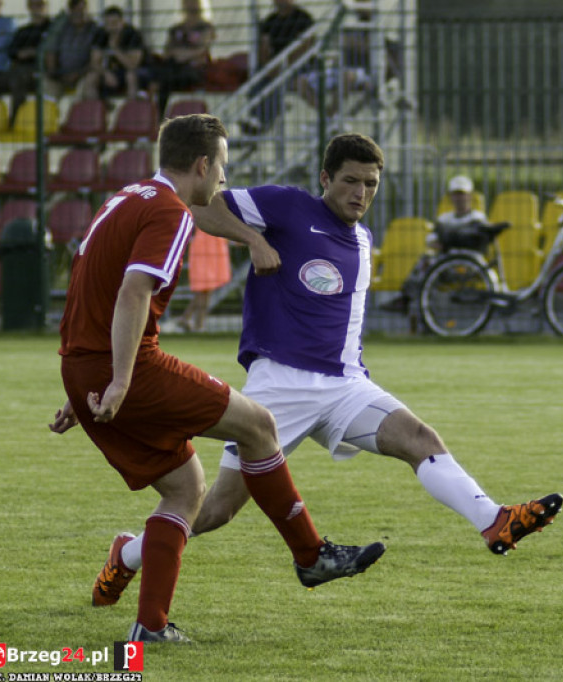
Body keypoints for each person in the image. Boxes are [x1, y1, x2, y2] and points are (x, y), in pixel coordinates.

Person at [96, 135, 562, 605]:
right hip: (280, 384)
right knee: (218, 507)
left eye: (370, 184)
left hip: (344, 386)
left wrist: (355, 374)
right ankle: (128, 555)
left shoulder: (362, 240)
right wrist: (253, 239)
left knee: (421, 439)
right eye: (350, 181)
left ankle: (494, 520)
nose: (360, 193)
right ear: (325, 179)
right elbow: (201, 206)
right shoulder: (286, 206)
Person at [49, 115, 384, 644]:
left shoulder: (126, 196)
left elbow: (87, 283)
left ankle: (150, 625)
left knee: (186, 489)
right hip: (126, 366)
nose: (223, 180)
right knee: (258, 425)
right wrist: (116, 377)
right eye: (222, 167)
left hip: (83, 361)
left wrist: (80, 380)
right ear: (203, 165)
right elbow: (133, 292)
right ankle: (310, 554)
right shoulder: (171, 211)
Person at [380, 174, 502, 315]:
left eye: (462, 194)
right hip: (446, 263)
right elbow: (432, 238)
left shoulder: (478, 218)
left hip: (470, 265)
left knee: (427, 266)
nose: (459, 198)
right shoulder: (444, 219)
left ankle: (409, 302)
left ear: (469, 196)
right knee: (425, 261)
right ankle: (409, 303)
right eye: (455, 194)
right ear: (451, 197)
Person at [241, 0, 313, 134]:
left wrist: (283, 67)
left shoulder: (303, 18)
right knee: (258, 77)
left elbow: (304, 47)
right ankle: (255, 117)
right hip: (275, 67)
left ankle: (262, 120)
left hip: (298, 66)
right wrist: (270, 67)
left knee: (277, 82)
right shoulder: (270, 21)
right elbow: (263, 49)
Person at [0, 0, 50, 126]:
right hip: (17, 68)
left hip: (38, 69)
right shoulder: (23, 30)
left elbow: (52, 50)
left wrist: (34, 52)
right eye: (33, 4)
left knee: (17, 80)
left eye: (40, 4)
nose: (37, 8)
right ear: (29, 7)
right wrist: (21, 53)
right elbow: (12, 51)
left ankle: (16, 121)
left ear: (47, 6)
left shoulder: (51, 29)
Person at [151, 0, 215, 118]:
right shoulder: (176, 28)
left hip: (193, 69)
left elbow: (202, 49)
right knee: (163, 76)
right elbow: (167, 51)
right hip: (174, 67)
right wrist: (178, 55)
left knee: (165, 80)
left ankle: (161, 116)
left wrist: (183, 55)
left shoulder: (205, 27)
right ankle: (157, 116)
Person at [78, 5, 146, 101]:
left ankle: (131, 110)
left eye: (114, 23)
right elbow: (94, 62)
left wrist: (115, 49)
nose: (111, 27)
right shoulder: (101, 35)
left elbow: (132, 65)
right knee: (91, 78)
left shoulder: (132, 35)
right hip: (109, 72)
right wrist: (105, 73)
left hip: (131, 71)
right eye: (108, 24)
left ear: (122, 22)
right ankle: (96, 111)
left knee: (131, 76)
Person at [174, 228, 231, 332]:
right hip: (208, 245)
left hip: (212, 244)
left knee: (206, 289)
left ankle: (191, 320)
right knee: (204, 288)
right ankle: (196, 323)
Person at [42, 0, 99, 100]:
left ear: (87, 10)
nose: (78, 14)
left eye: (81, 10)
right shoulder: (61, 28)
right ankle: (49, 113)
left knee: (86, 85)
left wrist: (78, 74)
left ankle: (77, 114)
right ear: (70, 11)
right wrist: (56, 73)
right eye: (75, 10)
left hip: (83, 76)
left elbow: (96, 60)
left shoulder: (95, 30)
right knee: (45, 86)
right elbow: (51, 52)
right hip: (60, 75)